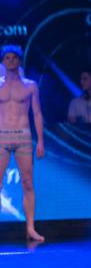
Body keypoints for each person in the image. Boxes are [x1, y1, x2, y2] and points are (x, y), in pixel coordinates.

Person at [0, 45, 45, 241]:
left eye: (14, 58)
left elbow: (37, 113)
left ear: (19, 61)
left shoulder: (30, 86)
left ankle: (31, 229)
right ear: (2, 62)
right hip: (2, 136)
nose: (11, 61)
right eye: (7, 58)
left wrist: (40, 140)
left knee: (27, 182)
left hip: (23, 137)